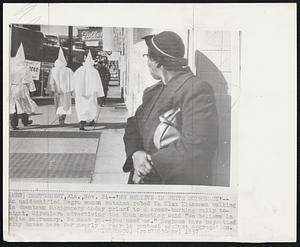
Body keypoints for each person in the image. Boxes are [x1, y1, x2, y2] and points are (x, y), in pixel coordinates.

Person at [122, 31, 219, 185]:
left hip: (167, 183)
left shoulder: (196, 89)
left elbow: (196, 145)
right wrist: (136, 153)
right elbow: (134, 124)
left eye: (147, 57)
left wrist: (147, 166)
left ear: (157, 62)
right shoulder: (153, 90)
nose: (146, 62)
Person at [72, 51, 104, 130]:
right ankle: (91, 120)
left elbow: (74, 81)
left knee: (81, 108)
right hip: (91, 93)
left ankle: (82, 123)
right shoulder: (94, 71)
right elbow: (98, 83)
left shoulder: (79, 70)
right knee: (91, 107)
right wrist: (99, 93)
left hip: (80, 94)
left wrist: (73, 91)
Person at [10, 43, 37, 130]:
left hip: (13, 87)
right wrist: (32, 88)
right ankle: (25, 121)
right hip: (22, 87)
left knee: (14, 105)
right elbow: (29, 79)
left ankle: (14, 123)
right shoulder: (25, 68)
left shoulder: (11, 67)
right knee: (24, 104)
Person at [47, 47, 74, 127]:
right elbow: (73, 80)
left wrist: (51, 90)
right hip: (66, 91)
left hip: (57, 91)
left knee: (58, 104)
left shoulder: (53, 70)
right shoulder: (68, 70)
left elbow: (51, 81)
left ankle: (59, 116)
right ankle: (63, 117)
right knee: (66, 105)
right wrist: (72, 90)